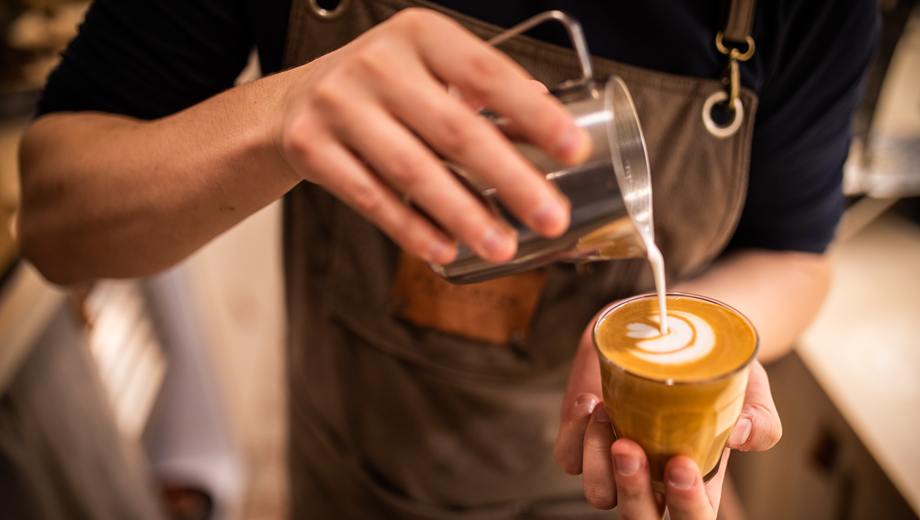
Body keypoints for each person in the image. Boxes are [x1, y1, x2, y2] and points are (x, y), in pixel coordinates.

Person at [15, 0, 878, 518]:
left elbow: (797, 258)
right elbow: (56, 223)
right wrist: (281, 116)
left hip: (621, 495)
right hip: (352, 475)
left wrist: (698, 347)